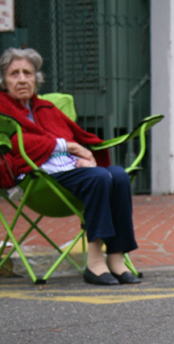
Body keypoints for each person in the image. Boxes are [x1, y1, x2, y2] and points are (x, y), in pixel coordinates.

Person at [0, 47, 140, 286]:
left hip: (70, 172)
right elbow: (14, 144)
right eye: (14, 74)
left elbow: (81, 137)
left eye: (28, 73)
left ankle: (116, 257)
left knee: (117, 175)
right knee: (97, 178)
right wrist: (71, 148)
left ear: (37, 79)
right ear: (4, 80)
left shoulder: (47, 109)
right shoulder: (2, 108)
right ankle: (95, 261)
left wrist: (88, 156)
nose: (22, 79)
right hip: (38, 179)